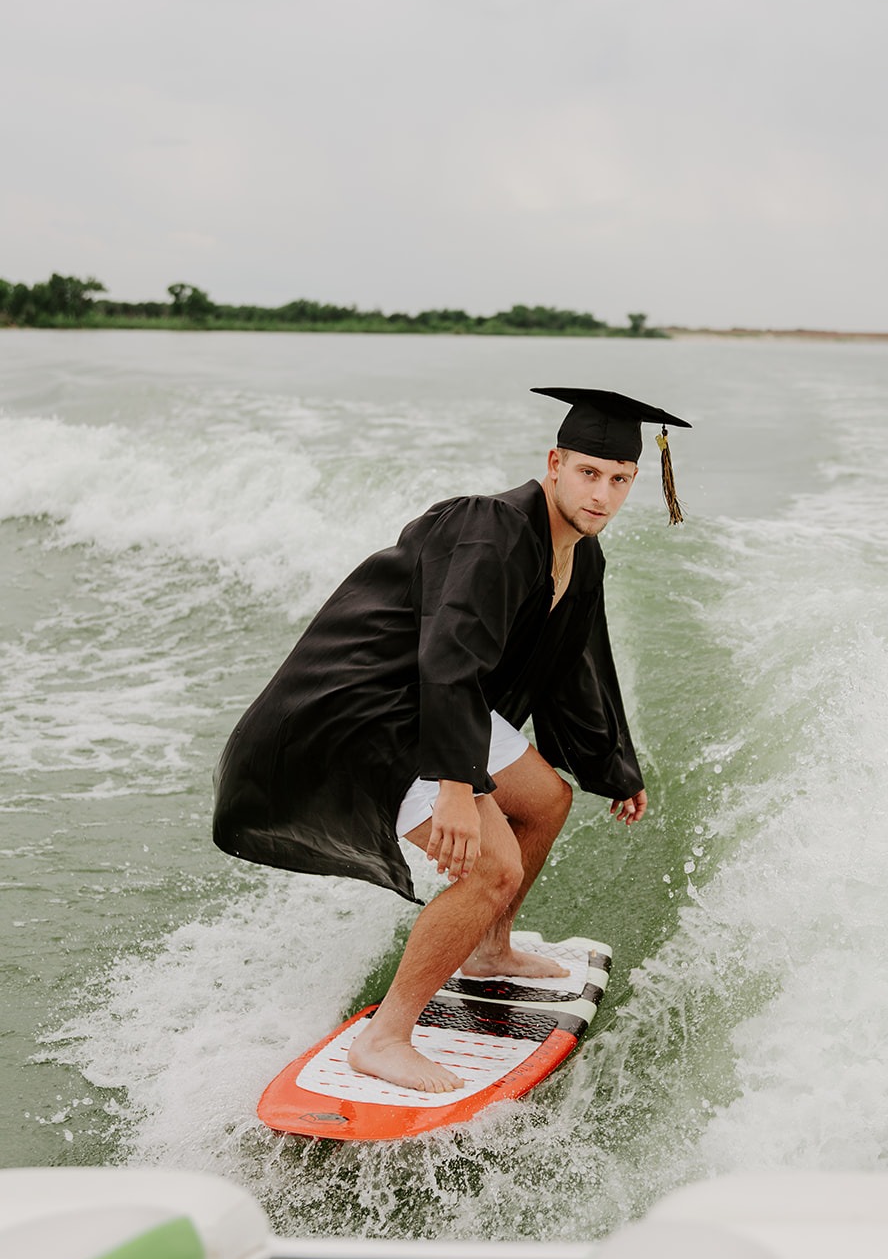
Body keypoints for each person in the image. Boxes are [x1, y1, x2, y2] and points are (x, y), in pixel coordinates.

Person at [213, 386, 691, 1092]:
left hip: (435, 702)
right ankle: (385, 1040)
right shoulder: (490, 527)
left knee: (547, 799)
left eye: (619, 479)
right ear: (554, 463)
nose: (603, 494)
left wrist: (612, 767)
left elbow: (573, 672)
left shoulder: (580, 559)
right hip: (368, 711)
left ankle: (490, 950)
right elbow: (447, 658)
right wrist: (457, 786)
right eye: (589, 473)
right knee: (490, 864)